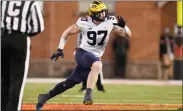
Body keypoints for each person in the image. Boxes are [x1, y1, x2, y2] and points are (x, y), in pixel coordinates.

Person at [36, 1, 131, 110]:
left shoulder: (110, 21)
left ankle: (44, 97)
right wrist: (60, 48)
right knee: (98, 65)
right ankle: (88, 95)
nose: (103, 15)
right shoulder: (84, 22)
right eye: (100, 13)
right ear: (93, 14)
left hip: (93, 58)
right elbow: (66, 32)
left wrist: (124, 27)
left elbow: (127, 34)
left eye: (104, 12)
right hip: (82, 53)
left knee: (69, 83)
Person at [1, 1, 44, 111]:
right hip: (20, 39)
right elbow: (39, 27)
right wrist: (23, 34)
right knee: (17, 78)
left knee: (3, 78)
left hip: (2, 38)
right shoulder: (31, 3)